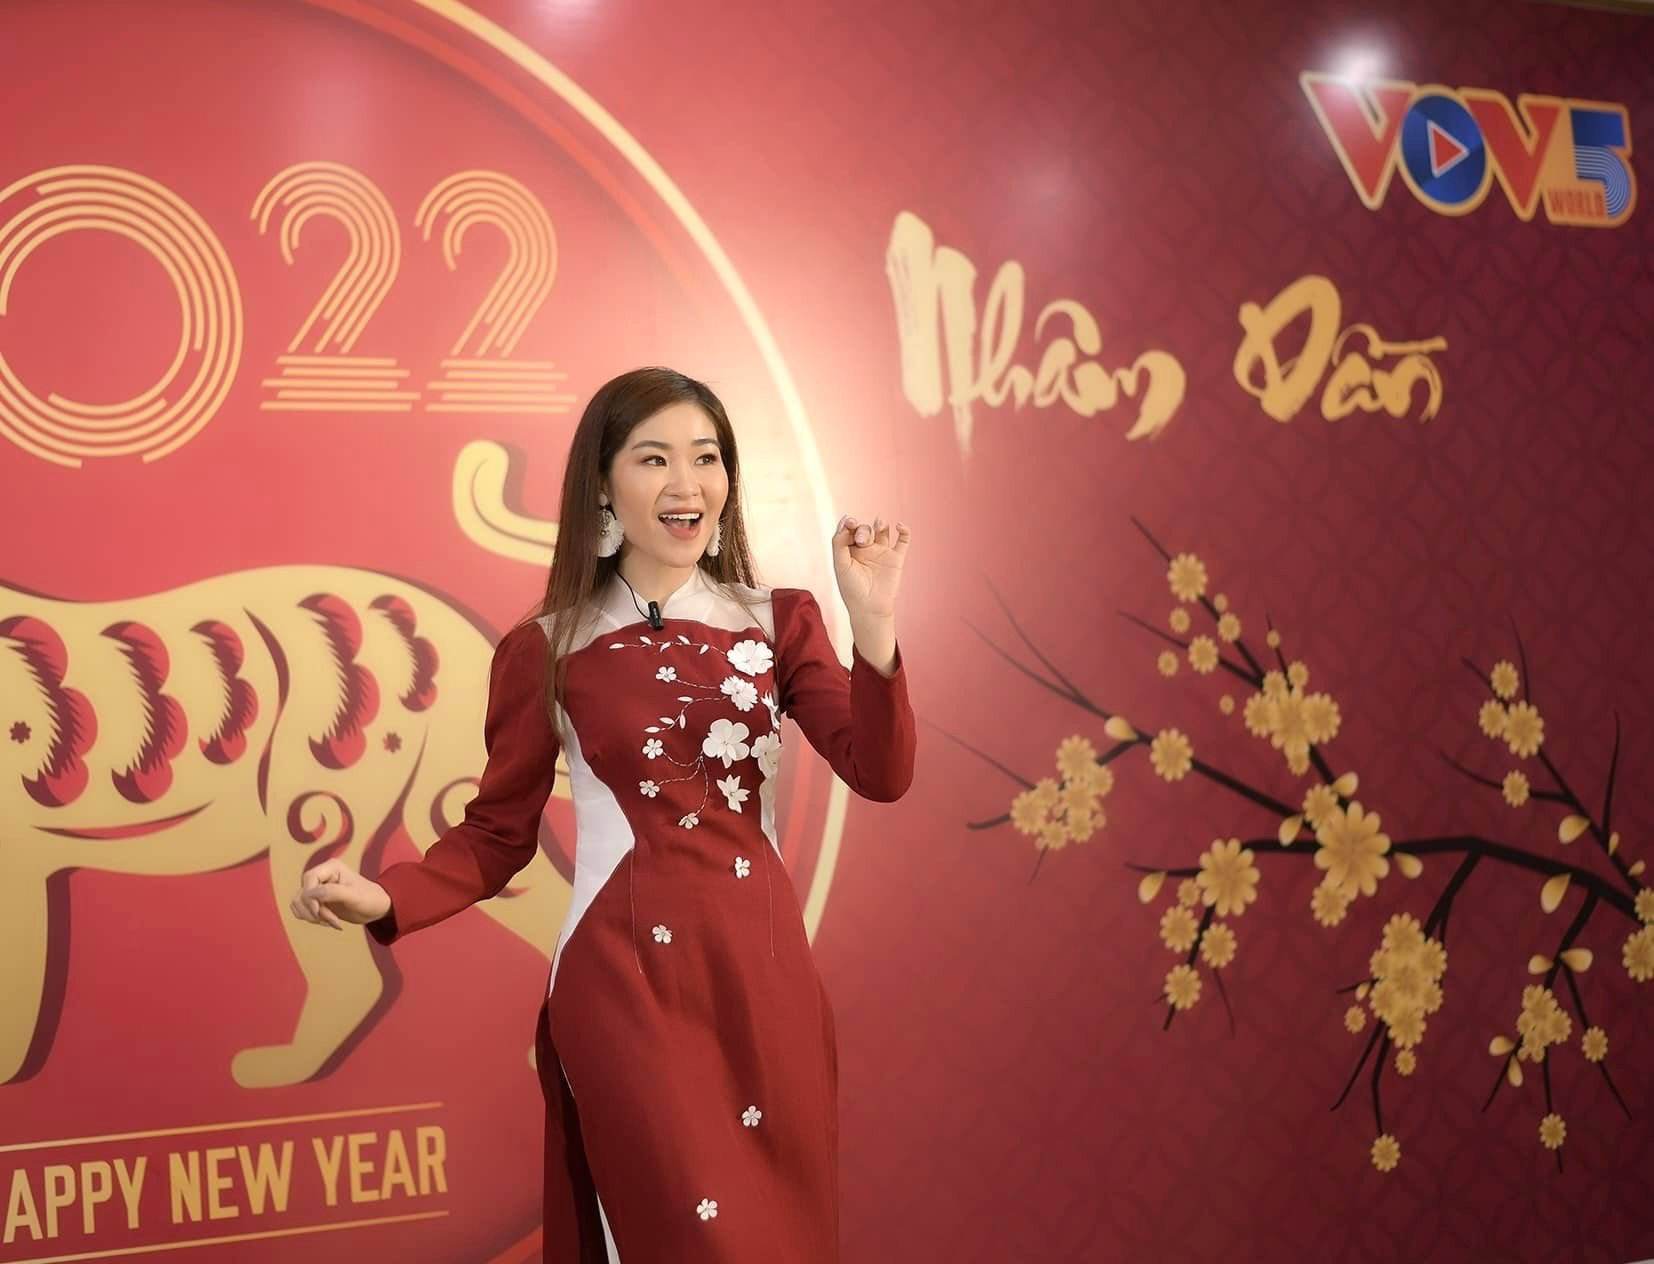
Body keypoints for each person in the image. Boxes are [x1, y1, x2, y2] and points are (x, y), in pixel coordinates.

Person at [288, 366, 916, 1263]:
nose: (686, 483)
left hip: (764, 979)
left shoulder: (778, 621)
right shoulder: (548, 646)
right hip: (625, 987)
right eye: (654, 459)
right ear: (602, 484)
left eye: (706, 458)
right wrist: (386, 897)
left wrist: (875, 625)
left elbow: (881, 772)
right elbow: (496, 834)